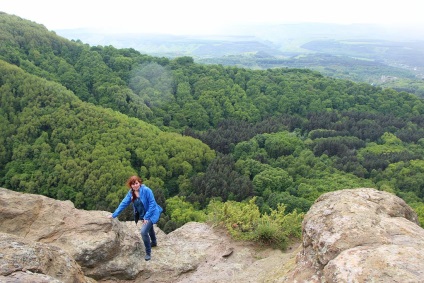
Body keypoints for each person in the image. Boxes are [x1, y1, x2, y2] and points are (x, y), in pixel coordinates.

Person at [108, 175, 163, 261]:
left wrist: (147, 217)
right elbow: (123, 203)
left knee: (143, 232)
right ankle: (154, 242)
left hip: (151, 214)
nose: (135, 185)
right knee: (149, 228)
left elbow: (152, 204)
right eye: (133, 184)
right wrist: (114, 214)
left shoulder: (146, 190)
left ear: (140, 183)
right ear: (130, 186)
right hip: (142, 214)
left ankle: (148, 253)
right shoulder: (131, 193)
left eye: (136, 183)